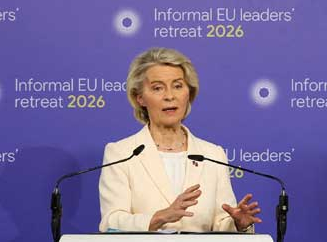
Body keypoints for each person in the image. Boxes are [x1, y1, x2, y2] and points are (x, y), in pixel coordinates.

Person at [99, 48, 261, 232]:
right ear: (140, 98)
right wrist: (159, 217)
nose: (170, 96)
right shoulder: (121, 153)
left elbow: (221, 222)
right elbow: (111, 221)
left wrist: (238, 224)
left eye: (177, 86)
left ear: (189, 93)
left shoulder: (211, 154)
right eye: (158, 88)